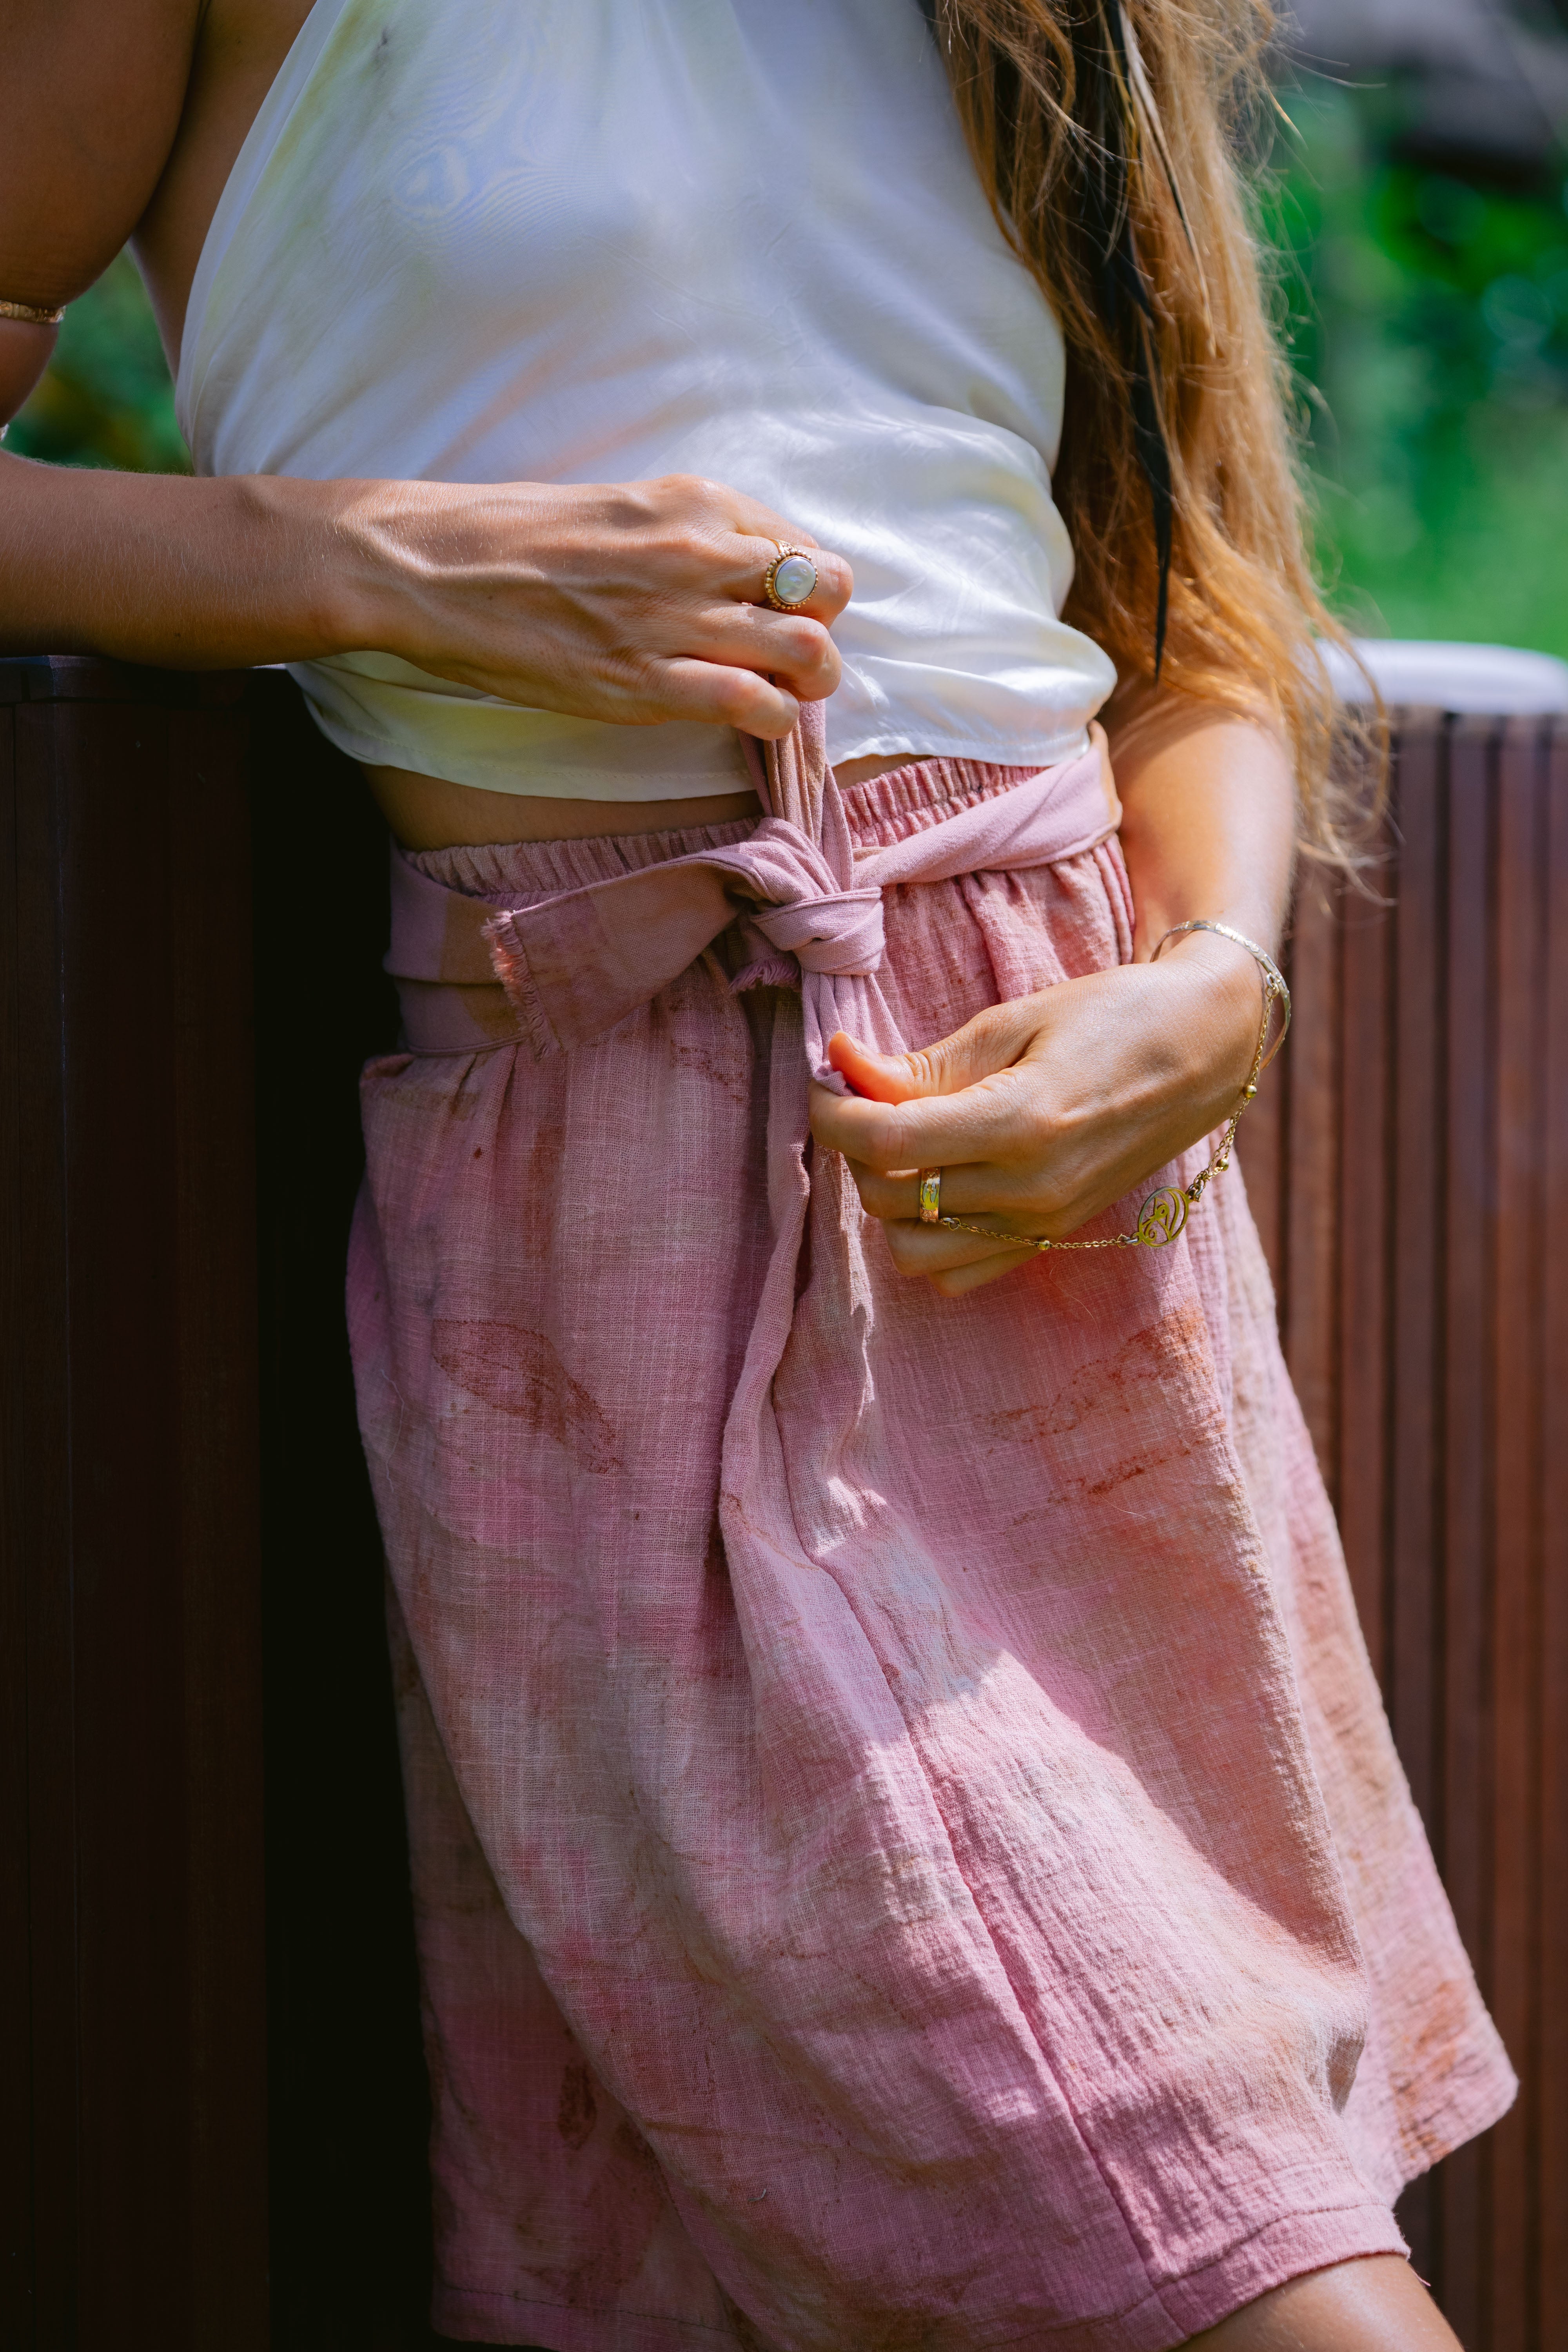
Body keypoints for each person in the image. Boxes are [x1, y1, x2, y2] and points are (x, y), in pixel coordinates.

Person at [0, 3, 1514, 2345]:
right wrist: (372, 565)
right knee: (1211, 2244)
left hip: (1068, 1225)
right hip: (637, 1218)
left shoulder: (1045, 12)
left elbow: (1184, 611)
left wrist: (1217, 979)